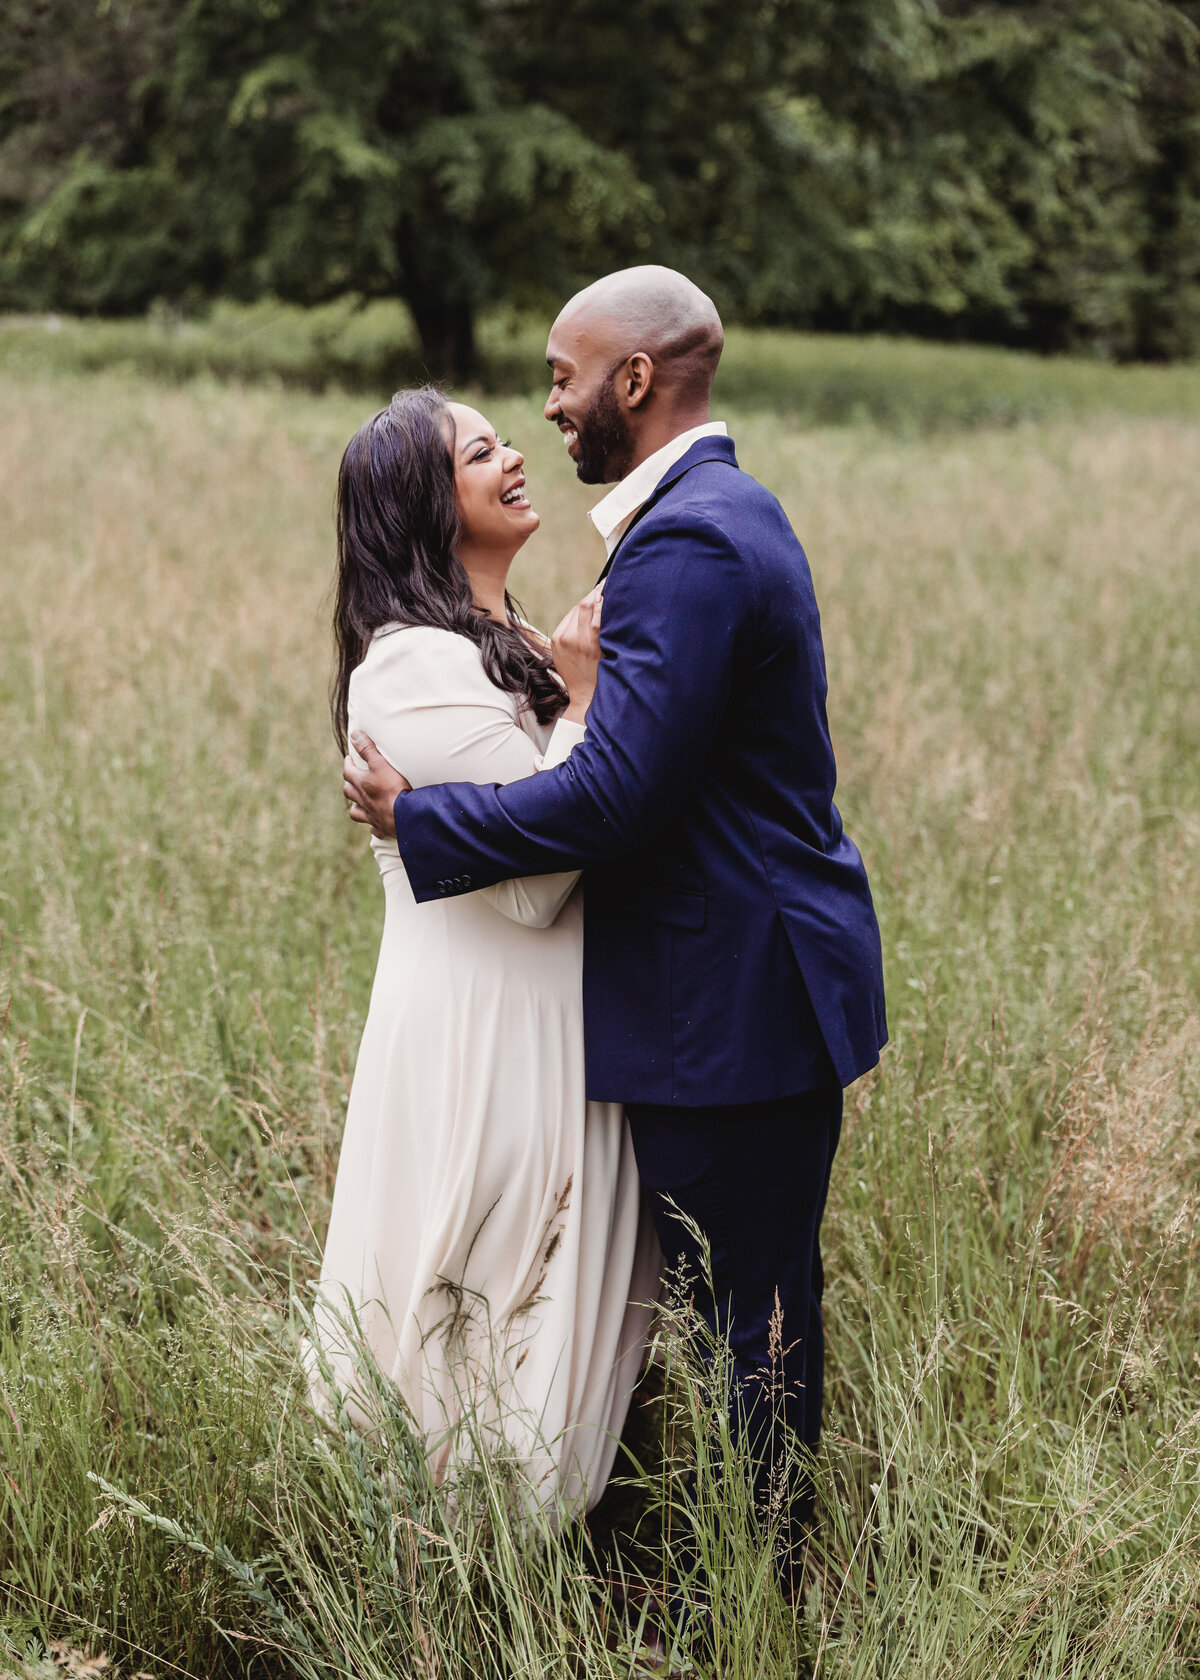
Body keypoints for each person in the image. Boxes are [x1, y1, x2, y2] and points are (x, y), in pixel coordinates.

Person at [344, 265, 888, 1580]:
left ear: (633, 381)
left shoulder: (693, 535)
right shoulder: (698, 520)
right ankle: (722, 1592)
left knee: (750, 1338)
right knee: (738, 1330)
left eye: (561, 377)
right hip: (727, 1000)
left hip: (735, 1007)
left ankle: (750, 1617)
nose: (552, 406)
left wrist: (424, 823)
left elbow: (623, 794)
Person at [315, 386, 660, 1518]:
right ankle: (454, 1582)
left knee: (546, 1311)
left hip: (549, 1020)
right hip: (482, 1034)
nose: (516, 454)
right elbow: (532, 888)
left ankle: (542, 1571)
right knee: (481, 1312)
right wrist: (589, 700)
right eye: (480, 450)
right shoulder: (410, 666)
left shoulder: (505, 641)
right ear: (426, 503)